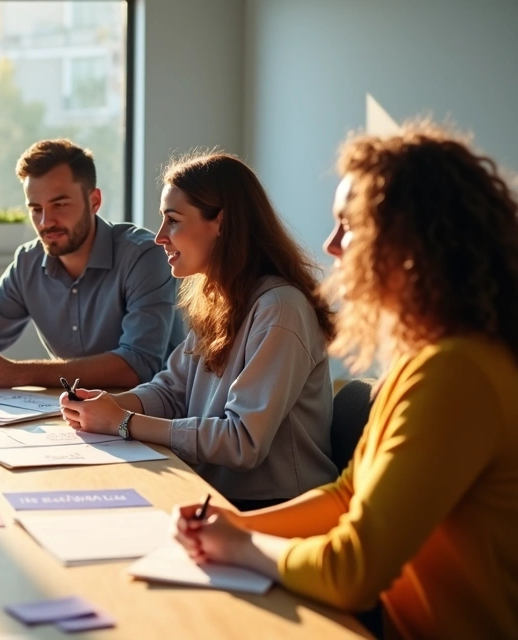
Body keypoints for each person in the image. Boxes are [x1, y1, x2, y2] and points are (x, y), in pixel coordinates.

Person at [172, 125, 518, 638]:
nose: (331, 245)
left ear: (412, 240)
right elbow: (347, 495)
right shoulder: (423, 360)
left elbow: (351, 572)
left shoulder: (458, 373)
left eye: (348, 225)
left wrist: (243, 547)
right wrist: (238, 524)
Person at [61, 153, 338, 510]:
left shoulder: (280, 309)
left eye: (173, 221)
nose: (159, 237)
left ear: (221, 222)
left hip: (272, 508)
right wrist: (106, 405)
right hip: (214, 493)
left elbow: (242, 442)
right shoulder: (219, 299)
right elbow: (172, 392)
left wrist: (123, 422)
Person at [0, 139, 182, 390]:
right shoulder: (28, 263)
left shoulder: (144, 256)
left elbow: (138, 366)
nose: (46, 222)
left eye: (59, 205)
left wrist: (16, 373)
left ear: (94, 201)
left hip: (148, 408)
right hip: (70, 409)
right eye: (36, 209)